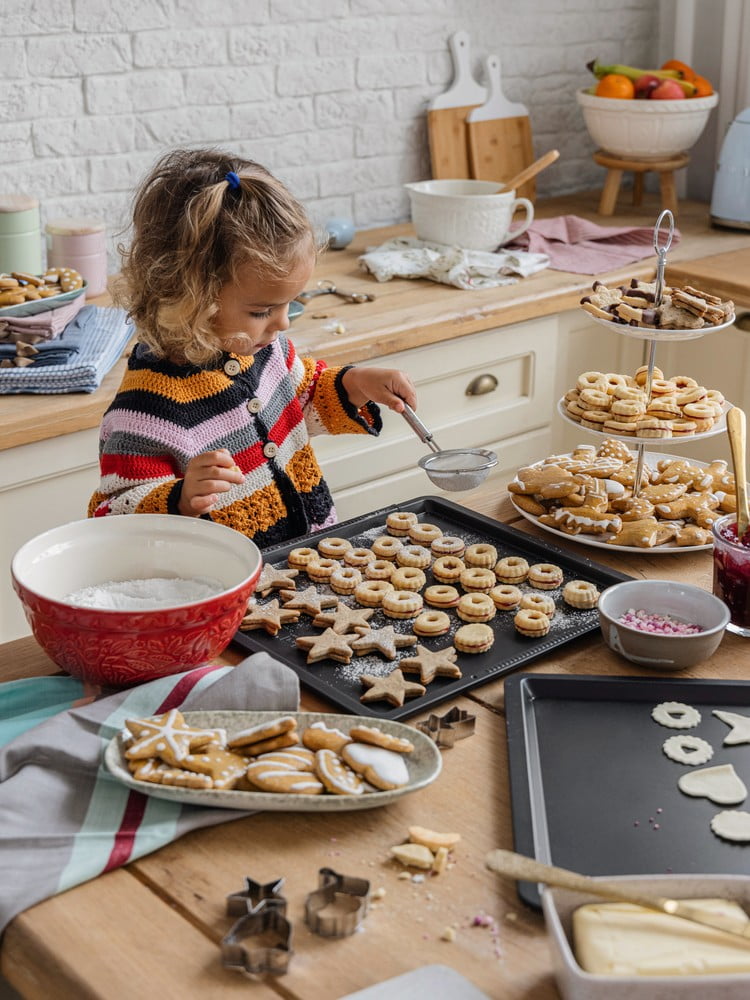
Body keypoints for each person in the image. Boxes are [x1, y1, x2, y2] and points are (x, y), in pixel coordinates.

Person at [88, 148, 416, 547]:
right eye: (263, 310)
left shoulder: (263, 350)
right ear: (191, 297)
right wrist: (179, 497)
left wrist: (356, 383)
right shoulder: (145, 414)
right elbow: (110, 516)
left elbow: (305, 395)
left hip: (309, 560)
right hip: (228, 589)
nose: (282, 323)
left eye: (290, 304)